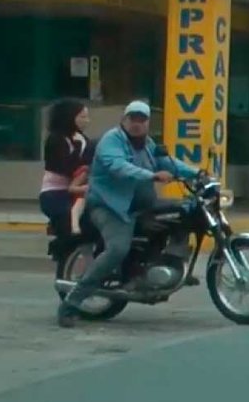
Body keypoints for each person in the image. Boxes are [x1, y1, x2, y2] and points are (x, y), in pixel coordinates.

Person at [58, 101, 198, 328]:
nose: (137, 124)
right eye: (133, 119)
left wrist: (199, 173)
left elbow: (169, 164)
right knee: (117, 249)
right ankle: (72, 303)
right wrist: (152, 176)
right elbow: (118, 167)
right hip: (111, 207)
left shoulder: (148, 145)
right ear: (124, 119)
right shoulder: (111, 141)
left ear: (147, 123)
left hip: (140, 205)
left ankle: (160, 267)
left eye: (142, 120)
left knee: (182, 214)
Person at [41, 99, 94, 236]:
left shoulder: (83, 139)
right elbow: (64, 167)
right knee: (71, 222)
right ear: (70, 117)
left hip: (77, 192)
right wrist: (78, 151)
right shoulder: (56, 139)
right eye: (82, 117)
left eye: (87, 117)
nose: (87, 121)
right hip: (55, 193)